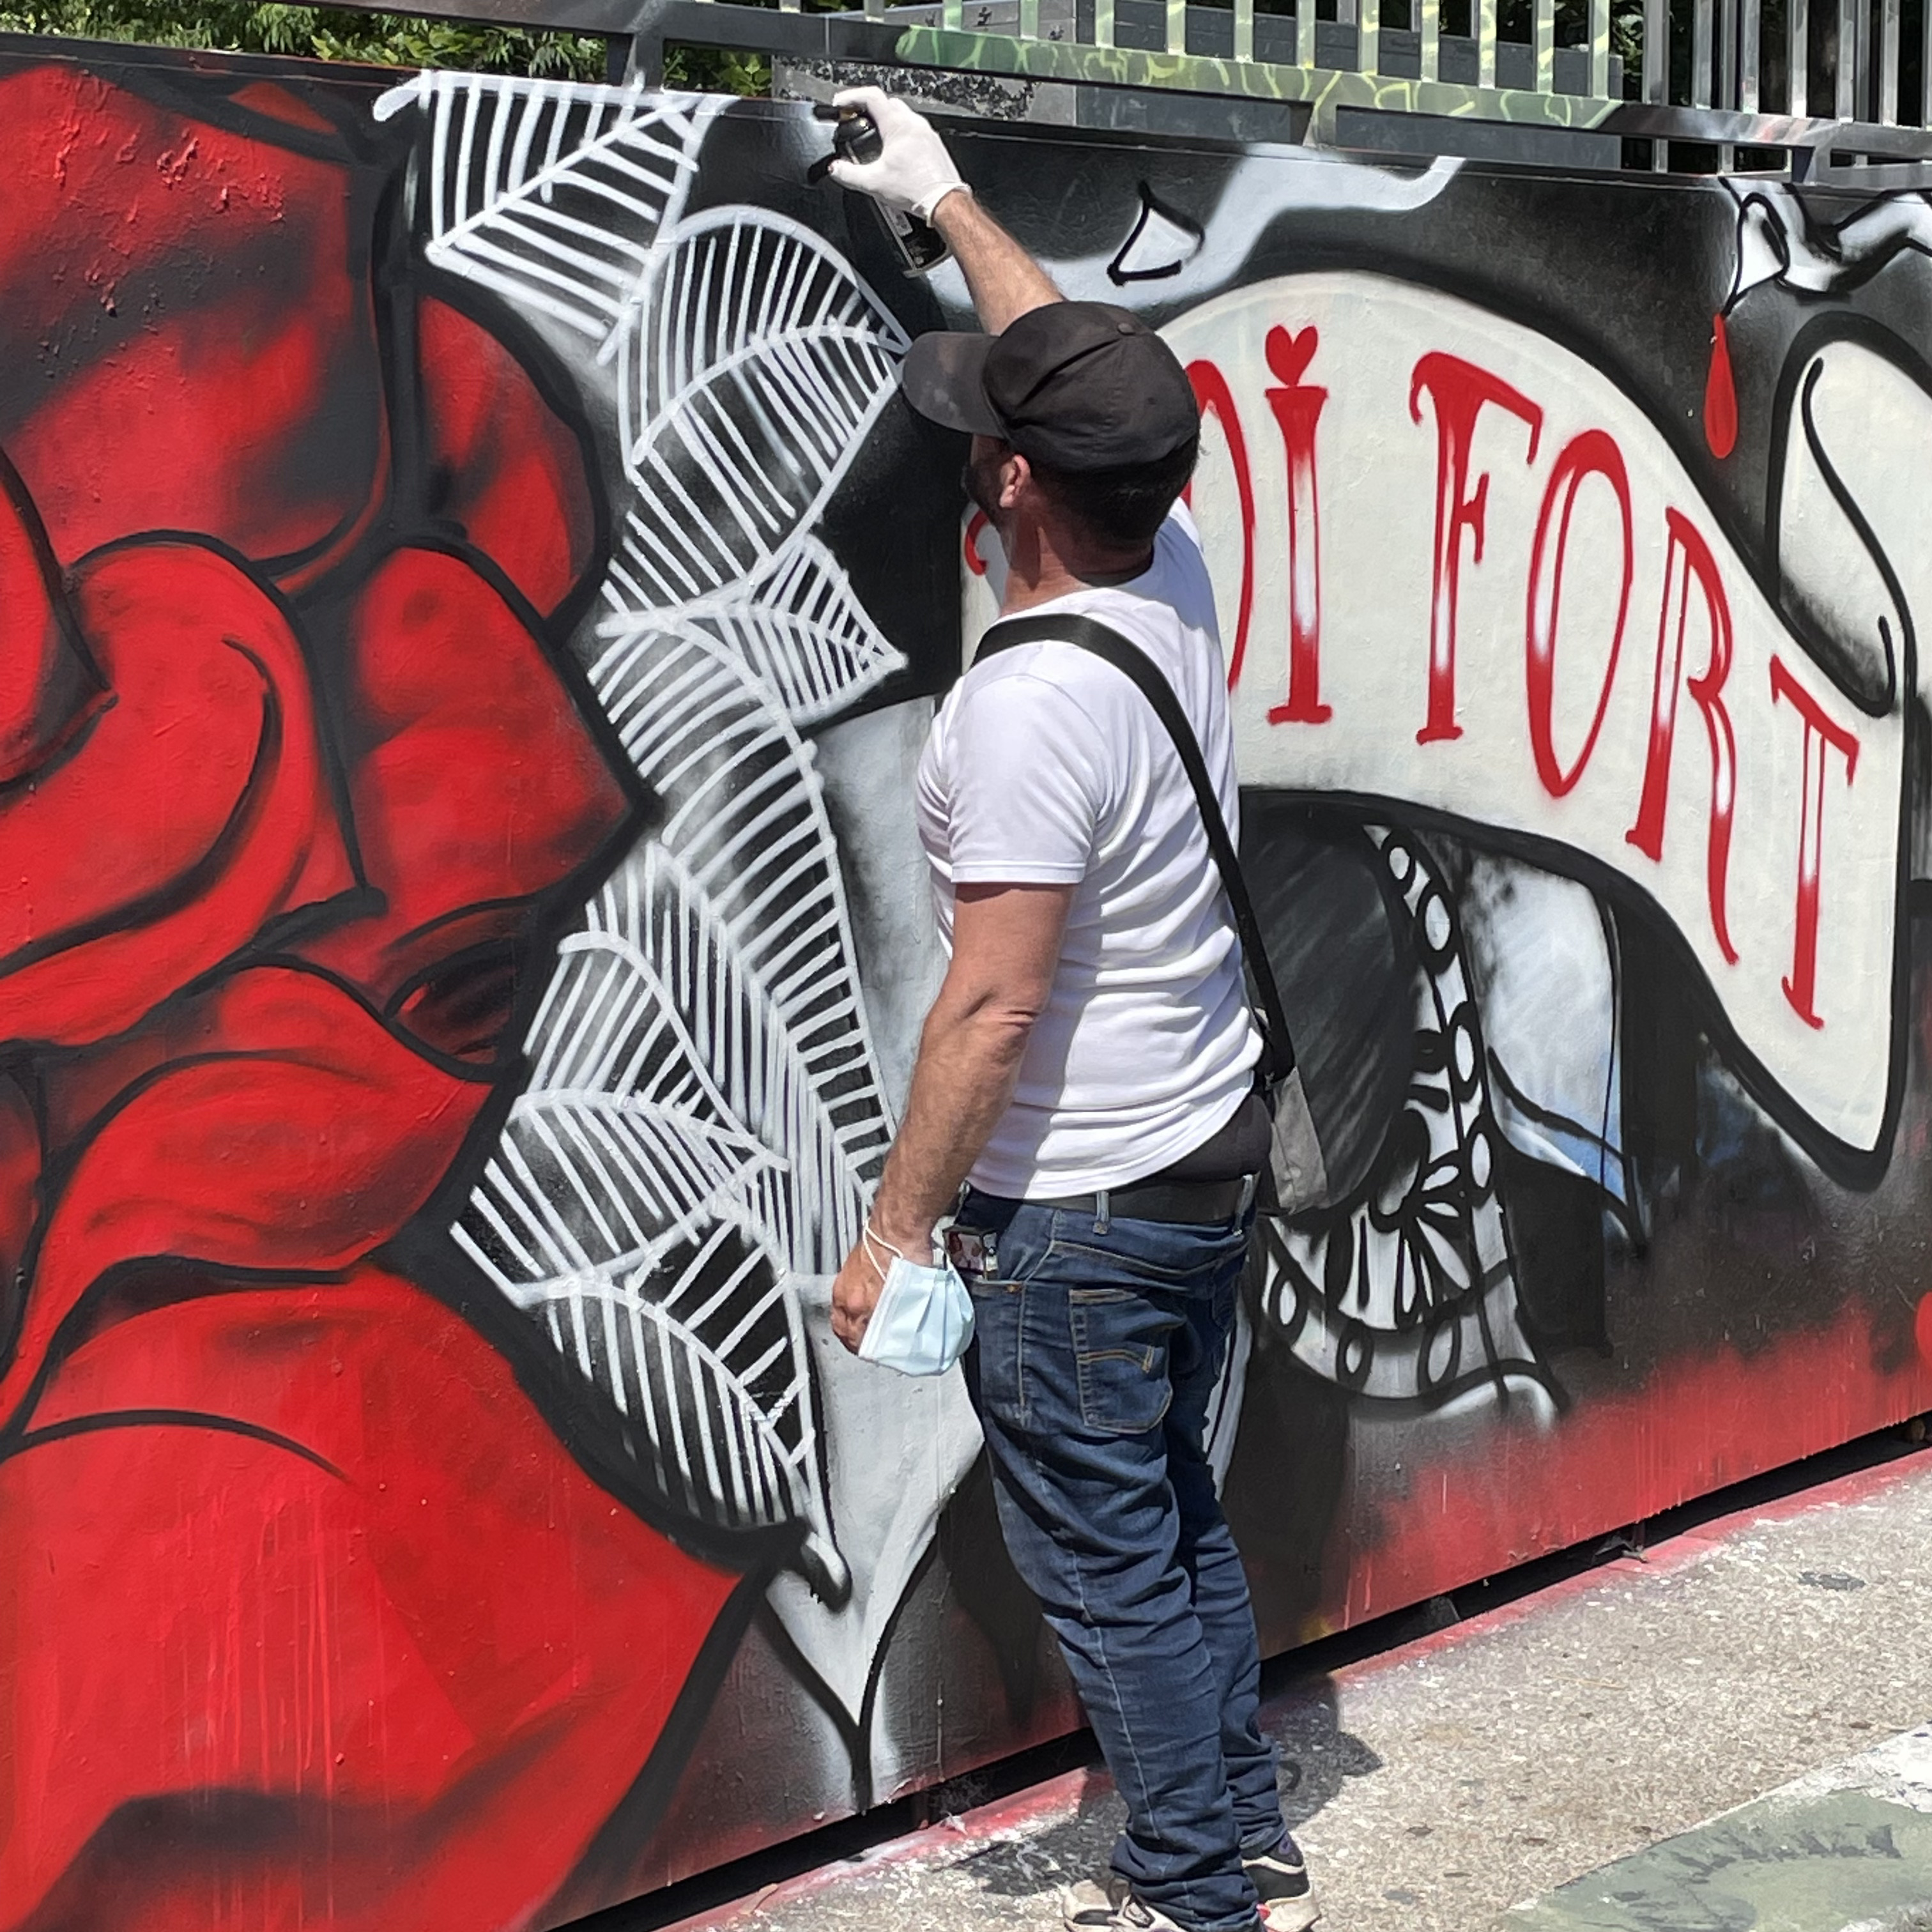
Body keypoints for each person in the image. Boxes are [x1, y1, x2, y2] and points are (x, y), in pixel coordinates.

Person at [824, 88, 1319, 1932]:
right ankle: (1239, 1821)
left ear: (1020, 485)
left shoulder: (1026, 709)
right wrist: (946, 193)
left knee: (1108, 1561)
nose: (983, 446)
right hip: (1201, 1168)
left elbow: (990, 1010)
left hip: (1086, 1217)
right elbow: (1075, 371)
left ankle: (1196, 1890)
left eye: (995, 440)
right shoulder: (1167, 571)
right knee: (1173, 1524)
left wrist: (893, 1231)